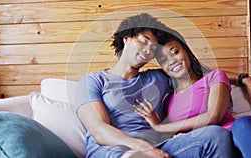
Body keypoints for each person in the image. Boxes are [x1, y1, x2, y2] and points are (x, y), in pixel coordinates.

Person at [75, 13, 239, 158]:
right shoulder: (93, 81)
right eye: (144, 41)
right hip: (113, 150)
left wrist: (244, 79)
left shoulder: (157, 78)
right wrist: (142, 148)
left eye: (152, 48)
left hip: (160, 149)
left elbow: (200, 76)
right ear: (126, 39)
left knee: (215, 135)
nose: (148, 50)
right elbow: (99, 130)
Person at [133, 28, 251, 158]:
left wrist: (160, 127)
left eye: (175, 52)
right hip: (210, 151)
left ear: (186, 51)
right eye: (164, 59)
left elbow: (214, 116)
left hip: (240, 140)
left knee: (245, 124)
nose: (172, 61)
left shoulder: (214, 78)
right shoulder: (167, 100)